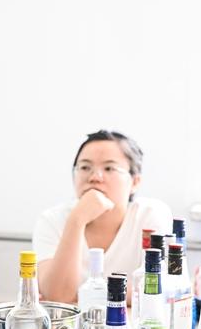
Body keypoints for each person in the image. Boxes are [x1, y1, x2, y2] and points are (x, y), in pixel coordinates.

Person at [33, 130, 173, 304]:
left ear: (135, 182)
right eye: (85, 167)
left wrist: (84, 295)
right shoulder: (52, 220)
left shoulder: (150, 215)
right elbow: (58, 295)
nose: (94, 177)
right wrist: (76, 221)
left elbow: (161, 289)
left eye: (109, 168)